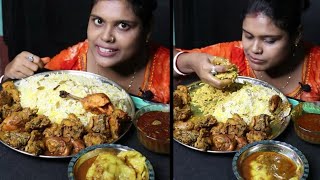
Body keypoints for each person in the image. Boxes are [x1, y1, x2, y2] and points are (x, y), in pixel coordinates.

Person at [2, 0, 170, 105]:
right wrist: (10, 76)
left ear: (147, 30)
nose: (106, 37)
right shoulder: (70, 61)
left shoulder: (168, 66)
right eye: (98, 21)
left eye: (123, 25)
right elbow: (30, 87)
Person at [174, 0, 320, 102]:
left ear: (296, 36)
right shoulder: (233, 55)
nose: (254, 49)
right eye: (248, 36)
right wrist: (193, 62)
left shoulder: (316, 65)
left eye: (269, 40)